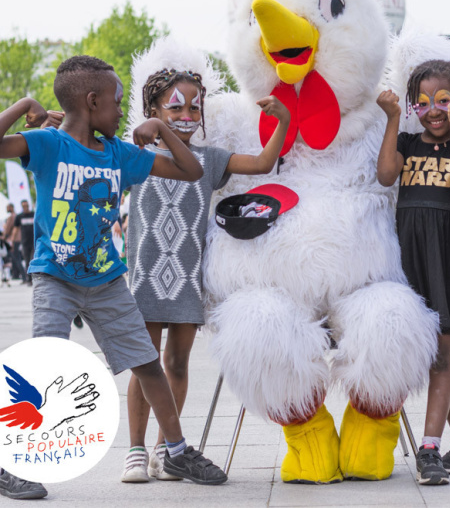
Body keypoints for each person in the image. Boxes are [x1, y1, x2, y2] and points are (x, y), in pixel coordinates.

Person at [0, 55, 227, 501]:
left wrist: (161, 131)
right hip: (56, 278)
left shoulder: (119, 154)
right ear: (92, 100)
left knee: (147, 364)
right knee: (45, 366)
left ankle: (176, 450)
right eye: (118, 102)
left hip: (107, 280)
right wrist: (25, 101)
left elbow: (191, 171)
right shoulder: (47, 144)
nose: (124, 112)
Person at [121, 38, 291, 483]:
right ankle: (135, 451)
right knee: (144, 364)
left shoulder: (210, 160)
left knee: (176, 364)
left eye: (194, 110)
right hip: (144, 278)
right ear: (152, 109)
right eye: (173, 109)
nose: (185, 117)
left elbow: (263, 164)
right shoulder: (136, 155)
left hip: (185, 280)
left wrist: (283, 122)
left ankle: (165, 450)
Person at [376, 59, 450, 486]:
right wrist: (391, 120)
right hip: (409, 253)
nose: (434, 110)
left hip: (448, 253)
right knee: (431, 355)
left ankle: (429, 448)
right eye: (422, 102)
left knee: (441, 355)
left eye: (444, 100)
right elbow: (386, 175)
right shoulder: (406, 139)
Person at [13, 199, 34, 285]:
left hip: (34, 241)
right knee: (27, 260)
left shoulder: (33, 214)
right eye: (23, 206)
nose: (25, 207)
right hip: (25, 242)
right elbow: (16, 229)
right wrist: (13, 241)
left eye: (26, 206)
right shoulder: (19, 217)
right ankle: (28, 279)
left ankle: (34, 278)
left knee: (33, 259)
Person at [3, 203, 23, 280]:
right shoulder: (16, 216)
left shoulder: (12, 217)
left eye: (8, 207)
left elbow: (8, 229)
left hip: (13, 240)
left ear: (11, 207)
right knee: (15, 258)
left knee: (16, 258)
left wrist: (4, 237)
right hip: (17, 239)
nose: (7, 209)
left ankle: (23, 276)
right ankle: (16, 274)